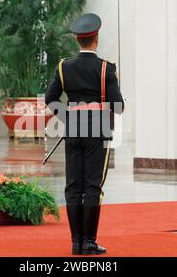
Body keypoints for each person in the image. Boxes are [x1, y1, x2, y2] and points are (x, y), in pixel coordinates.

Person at [45, 13, 124, 255]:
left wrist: (68, 118)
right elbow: (118, 106)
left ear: (78, 40)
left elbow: (51, 98)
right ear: (95, 39)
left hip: (73, 130)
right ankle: (88, 241)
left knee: (73, 187)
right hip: (97, 131)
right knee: (92, 187)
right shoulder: (105, 69)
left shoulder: (63, 66)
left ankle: (75, 242)